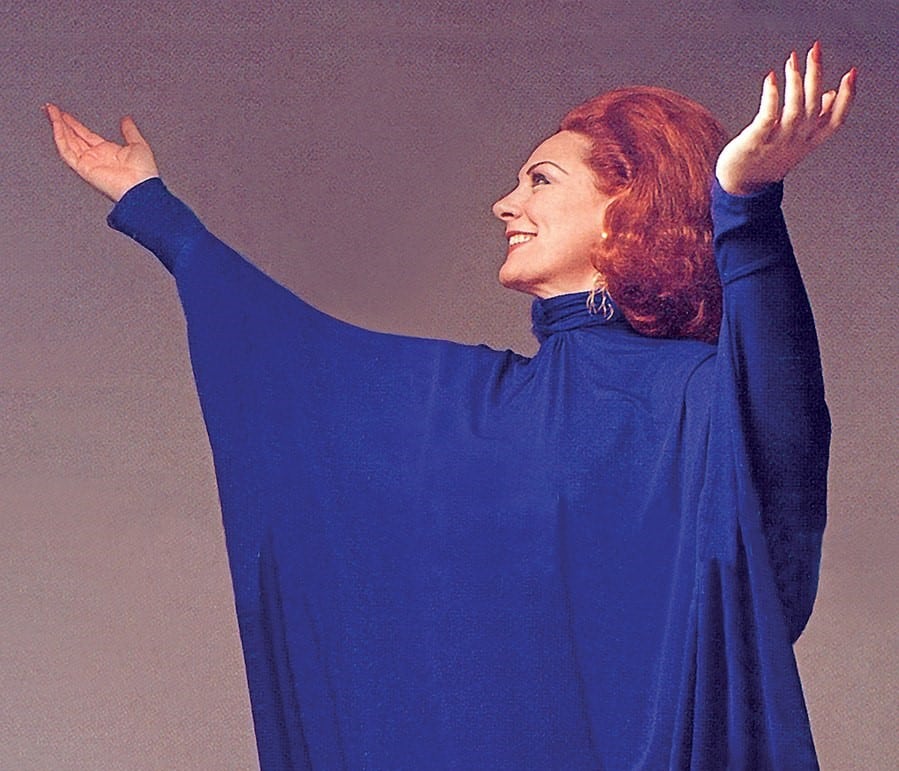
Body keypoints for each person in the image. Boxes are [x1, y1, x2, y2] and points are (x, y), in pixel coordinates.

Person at [47, 42, 855, 770]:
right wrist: (155, 210)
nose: (504, 204)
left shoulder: (698, 400)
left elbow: (781, 422)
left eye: (540, 180)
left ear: (628, 208)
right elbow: (291, 358)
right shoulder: (475, 408)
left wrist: (744, 204)